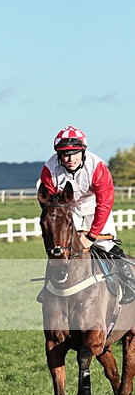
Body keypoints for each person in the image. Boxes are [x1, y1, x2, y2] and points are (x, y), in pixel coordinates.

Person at [38, 125, 135, 304]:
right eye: (65, 154)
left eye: (75, 153)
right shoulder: (49, 170)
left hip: (94, 207)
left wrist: (91, 237)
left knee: (105, 244)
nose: (70, 159)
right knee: (60, 248)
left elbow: (104, 202)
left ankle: (129, 282)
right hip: (68, 209)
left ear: (83, 151)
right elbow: (48, 204)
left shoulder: (96, 166)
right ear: (59, 155)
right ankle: (48, 288)